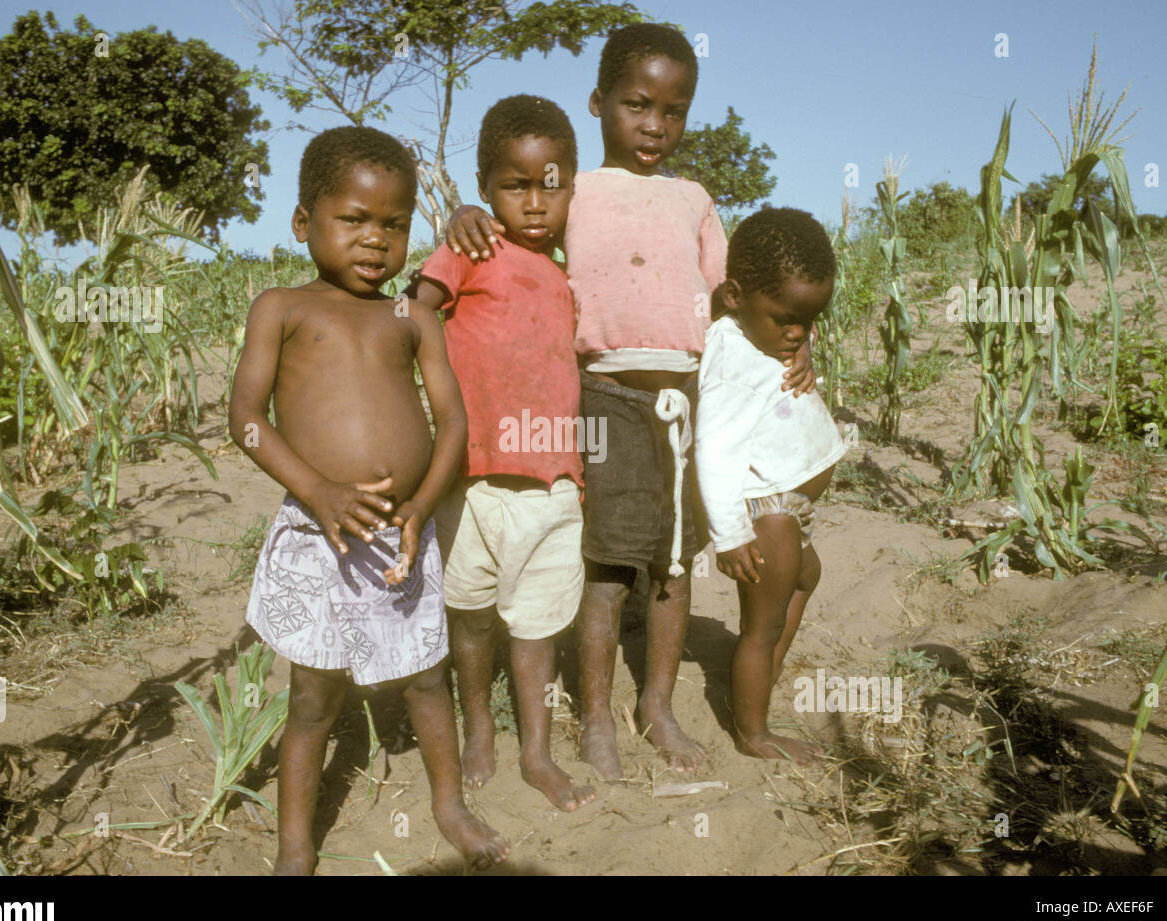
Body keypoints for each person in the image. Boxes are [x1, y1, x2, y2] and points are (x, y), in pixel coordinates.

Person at [443, 24, 817, 778]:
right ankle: (595, 724)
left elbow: (735, 301)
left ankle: (657, 706)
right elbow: (518, 239)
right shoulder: (573, 194)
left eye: (675, 110)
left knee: (673, 567)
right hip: (604, 396)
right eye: (637, 105)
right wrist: (463, 216)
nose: (655, 125)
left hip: (686, 405)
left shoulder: (694, 200)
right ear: (598, 103)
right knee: (607, 571)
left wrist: (798, 341)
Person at [229, 126, 509, 874]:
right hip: (320, 534)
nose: (375, 240)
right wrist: (317, 490)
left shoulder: (411, 318)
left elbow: (453, 421)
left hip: (400, 534)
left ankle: (447, 804)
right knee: (313, 699)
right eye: (353, 219)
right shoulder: (281, 307)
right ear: (303, 223)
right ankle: (295, 845)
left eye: (393, 223)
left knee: (425, 675)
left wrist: (420, 506)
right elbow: (246, 421)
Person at [410, 95, 595, 812]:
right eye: (516, 186)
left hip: (552, 484)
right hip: (472, 480)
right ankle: (479, 724)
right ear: (486, 188)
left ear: (572, 184)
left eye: (553, 182)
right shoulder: (470, 246)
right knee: (470, 612)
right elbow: (415, 311)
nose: (537, 201)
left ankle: (537, 752)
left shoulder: (569, 270)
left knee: (538, 624)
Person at [695, 207, 846, 763]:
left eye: (810, 321)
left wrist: (798, 349)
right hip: (768, 510)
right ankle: (753, 733)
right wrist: (731, 534)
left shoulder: (764, 340)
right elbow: (713, 452)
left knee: (806, 578)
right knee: (762, 624)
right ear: (734, 295)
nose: (798, 332)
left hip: (789, 505)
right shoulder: (734, 360)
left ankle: (760, 680)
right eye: (786, 318)